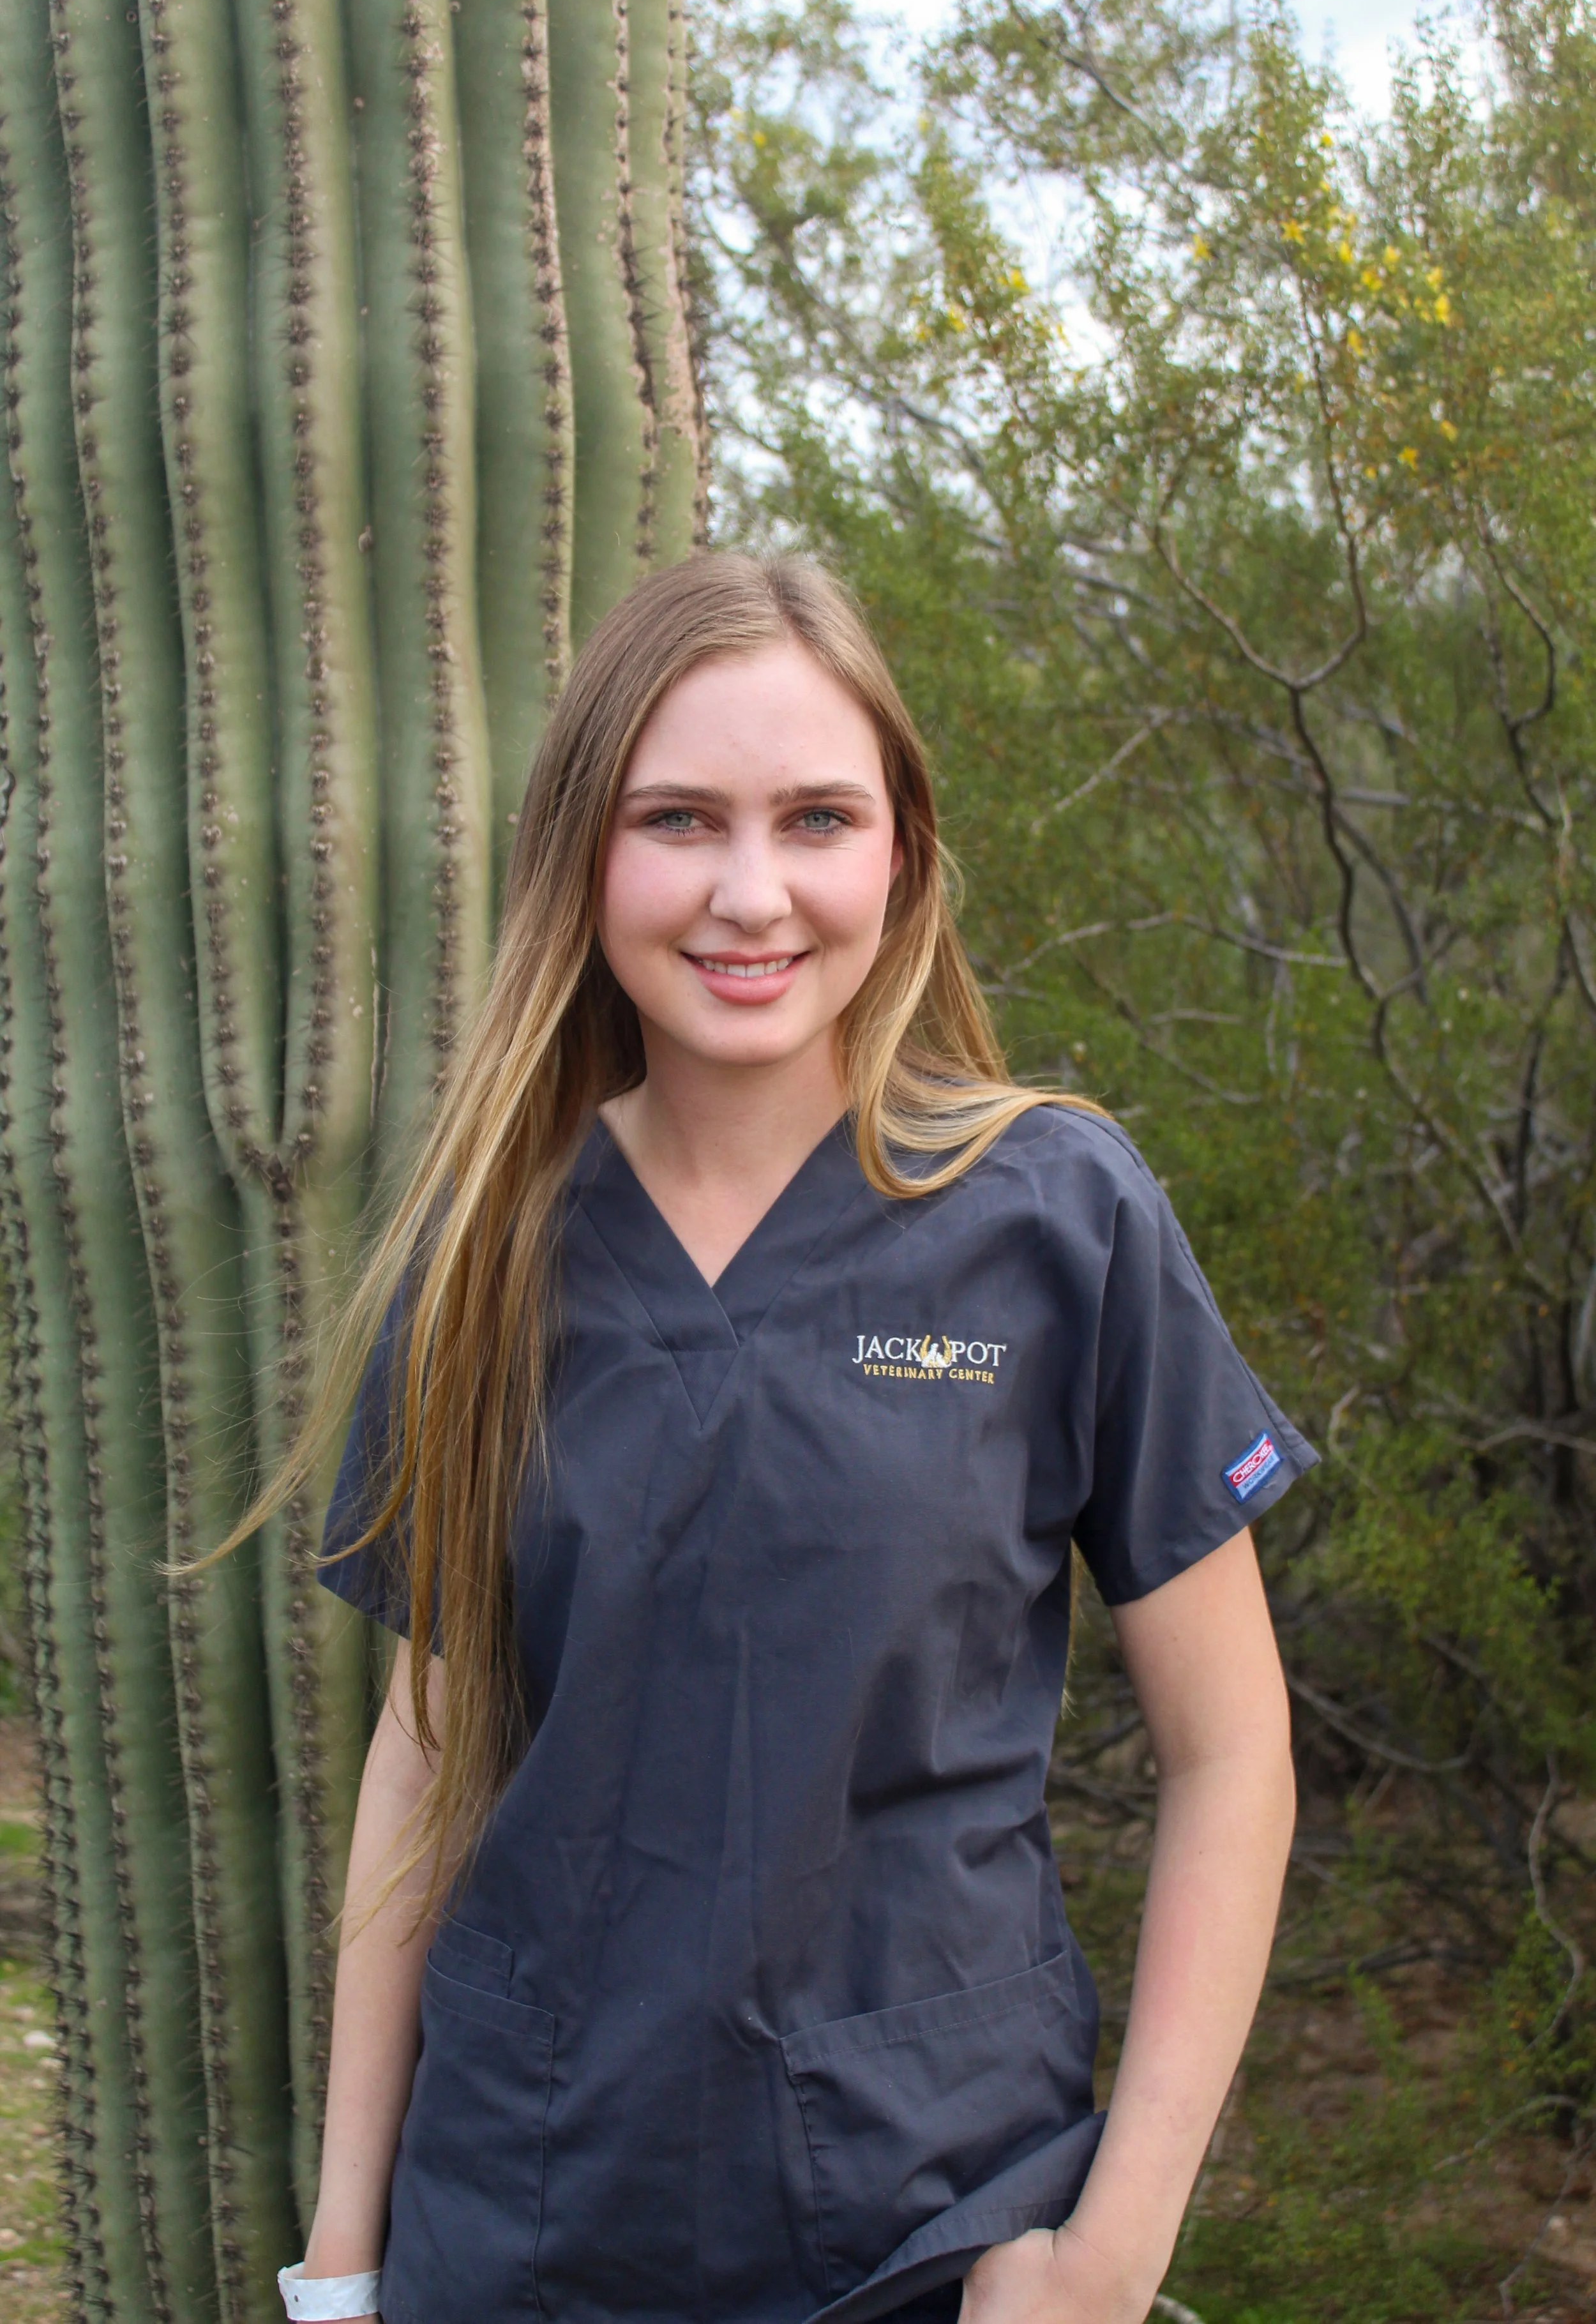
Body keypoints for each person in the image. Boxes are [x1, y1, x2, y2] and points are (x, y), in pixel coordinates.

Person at [270, 552, 1309, 2324]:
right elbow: (426, 1749)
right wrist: (345, 2260)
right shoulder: (489, 1250)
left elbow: (1231, 1757)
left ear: (895, 849)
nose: (751, 893)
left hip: (930, 2224)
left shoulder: (1058, 1218)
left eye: (815, 817)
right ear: (583, 853)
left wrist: (1105, 2255)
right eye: (677, 818)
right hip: (523, 2227)